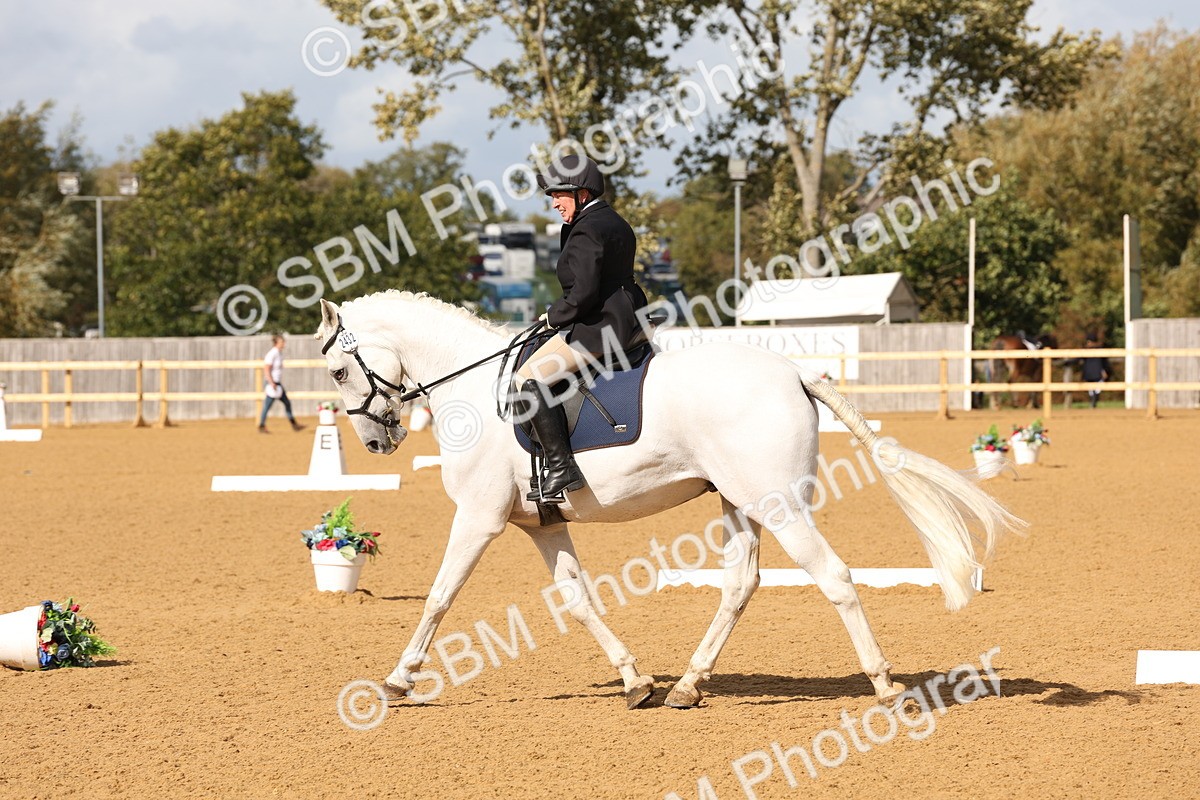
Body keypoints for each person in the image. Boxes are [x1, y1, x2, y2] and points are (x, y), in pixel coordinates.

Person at [513, 153, 648, 503]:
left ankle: (561, 466)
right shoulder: (612, 220)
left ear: (582, 193)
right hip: (629, 314)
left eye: (560, 194)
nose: (554, 203)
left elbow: (584, 292)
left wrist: (551, 317)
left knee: (529, 377)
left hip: (601, 324)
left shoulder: (586, 228)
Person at [258, 335, 304, 432]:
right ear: (276, 343)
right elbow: (266, 369)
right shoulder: (272, 354)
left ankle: (294, 424)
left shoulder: (279, 353)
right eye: (281, 342)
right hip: (273, 383)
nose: (283, 344)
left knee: (287, 403)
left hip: (277, 383)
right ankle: (261, 425)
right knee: (267, 405)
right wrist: (271, 382)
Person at [1078, 334, 1111, 408]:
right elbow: (1105, 362)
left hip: (1092, 374)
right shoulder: (1099, 350)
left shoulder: (1088, 351)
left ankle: (1093, 402)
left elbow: (1104, 362)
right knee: (1094, 389)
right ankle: (1093, 402)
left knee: (1095, 389)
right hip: (1094, 374)